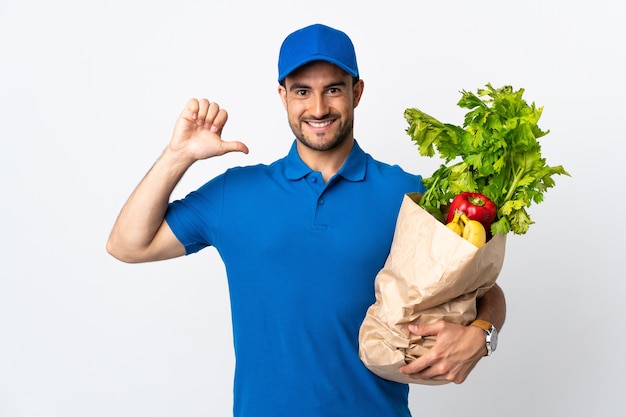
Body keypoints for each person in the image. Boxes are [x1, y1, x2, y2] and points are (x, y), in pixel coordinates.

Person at [107, 23, 506, 417]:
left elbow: (483, 287)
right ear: (283, 97)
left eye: (333, 89)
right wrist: (179, 155)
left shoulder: (411, 195)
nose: (318, 108)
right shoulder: (237, 193)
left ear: (357, 92)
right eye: (302, 92)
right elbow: (127, 245)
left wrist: (481, 335)